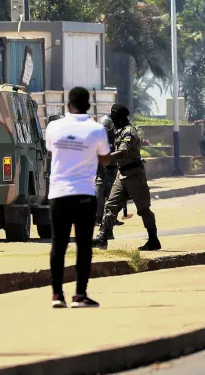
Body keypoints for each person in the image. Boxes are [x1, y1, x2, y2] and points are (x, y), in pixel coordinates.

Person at [45, 87, 113, 308]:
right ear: (89, 104)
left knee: (58, 244)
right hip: (84, 193)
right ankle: (80, 295)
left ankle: (57, 295)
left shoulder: (54, 127)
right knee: (83, 246)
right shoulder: (96, 129)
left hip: (58, 194)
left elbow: (50, 151)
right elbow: (105, 160)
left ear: (67, 104)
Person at [95, 104, 161, 251]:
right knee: (110, 205)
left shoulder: (129, 131)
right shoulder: (118, 131)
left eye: (113, 115)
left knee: (143, 209)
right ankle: (102, 238)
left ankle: (153, 239)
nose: (112, 118)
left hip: (134, 174)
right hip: (122, 174)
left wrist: (106, 157)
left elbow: (123, 152)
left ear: (119, 116)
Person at [95, 110, 124, 226]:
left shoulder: (117, 138)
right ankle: (98, 218)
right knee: (99, 193)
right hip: (102, 171)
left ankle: (112, 218)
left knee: (115, 196)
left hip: (114, 170)